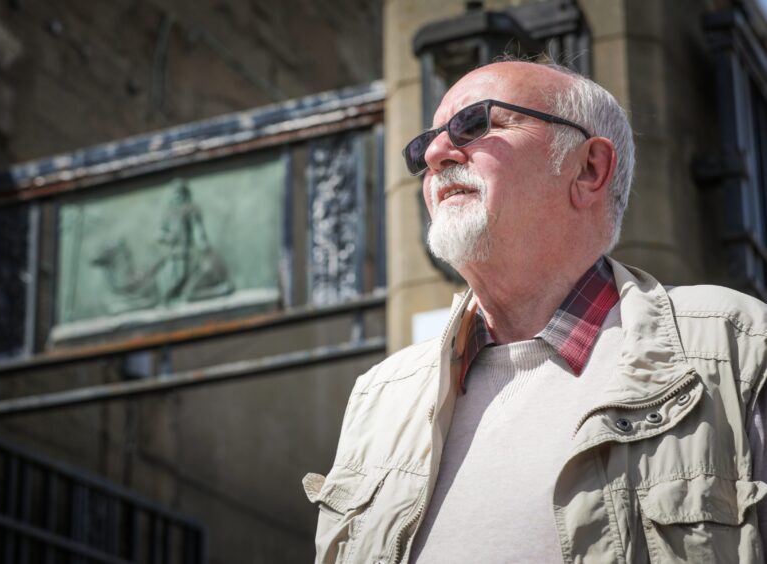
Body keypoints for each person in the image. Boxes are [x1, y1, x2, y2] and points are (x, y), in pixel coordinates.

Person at [303, 60, 767, 563]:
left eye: (475, 123)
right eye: (424, 145)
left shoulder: (736, 345)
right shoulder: (379, 398)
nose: (435, 154)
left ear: (589, 168)